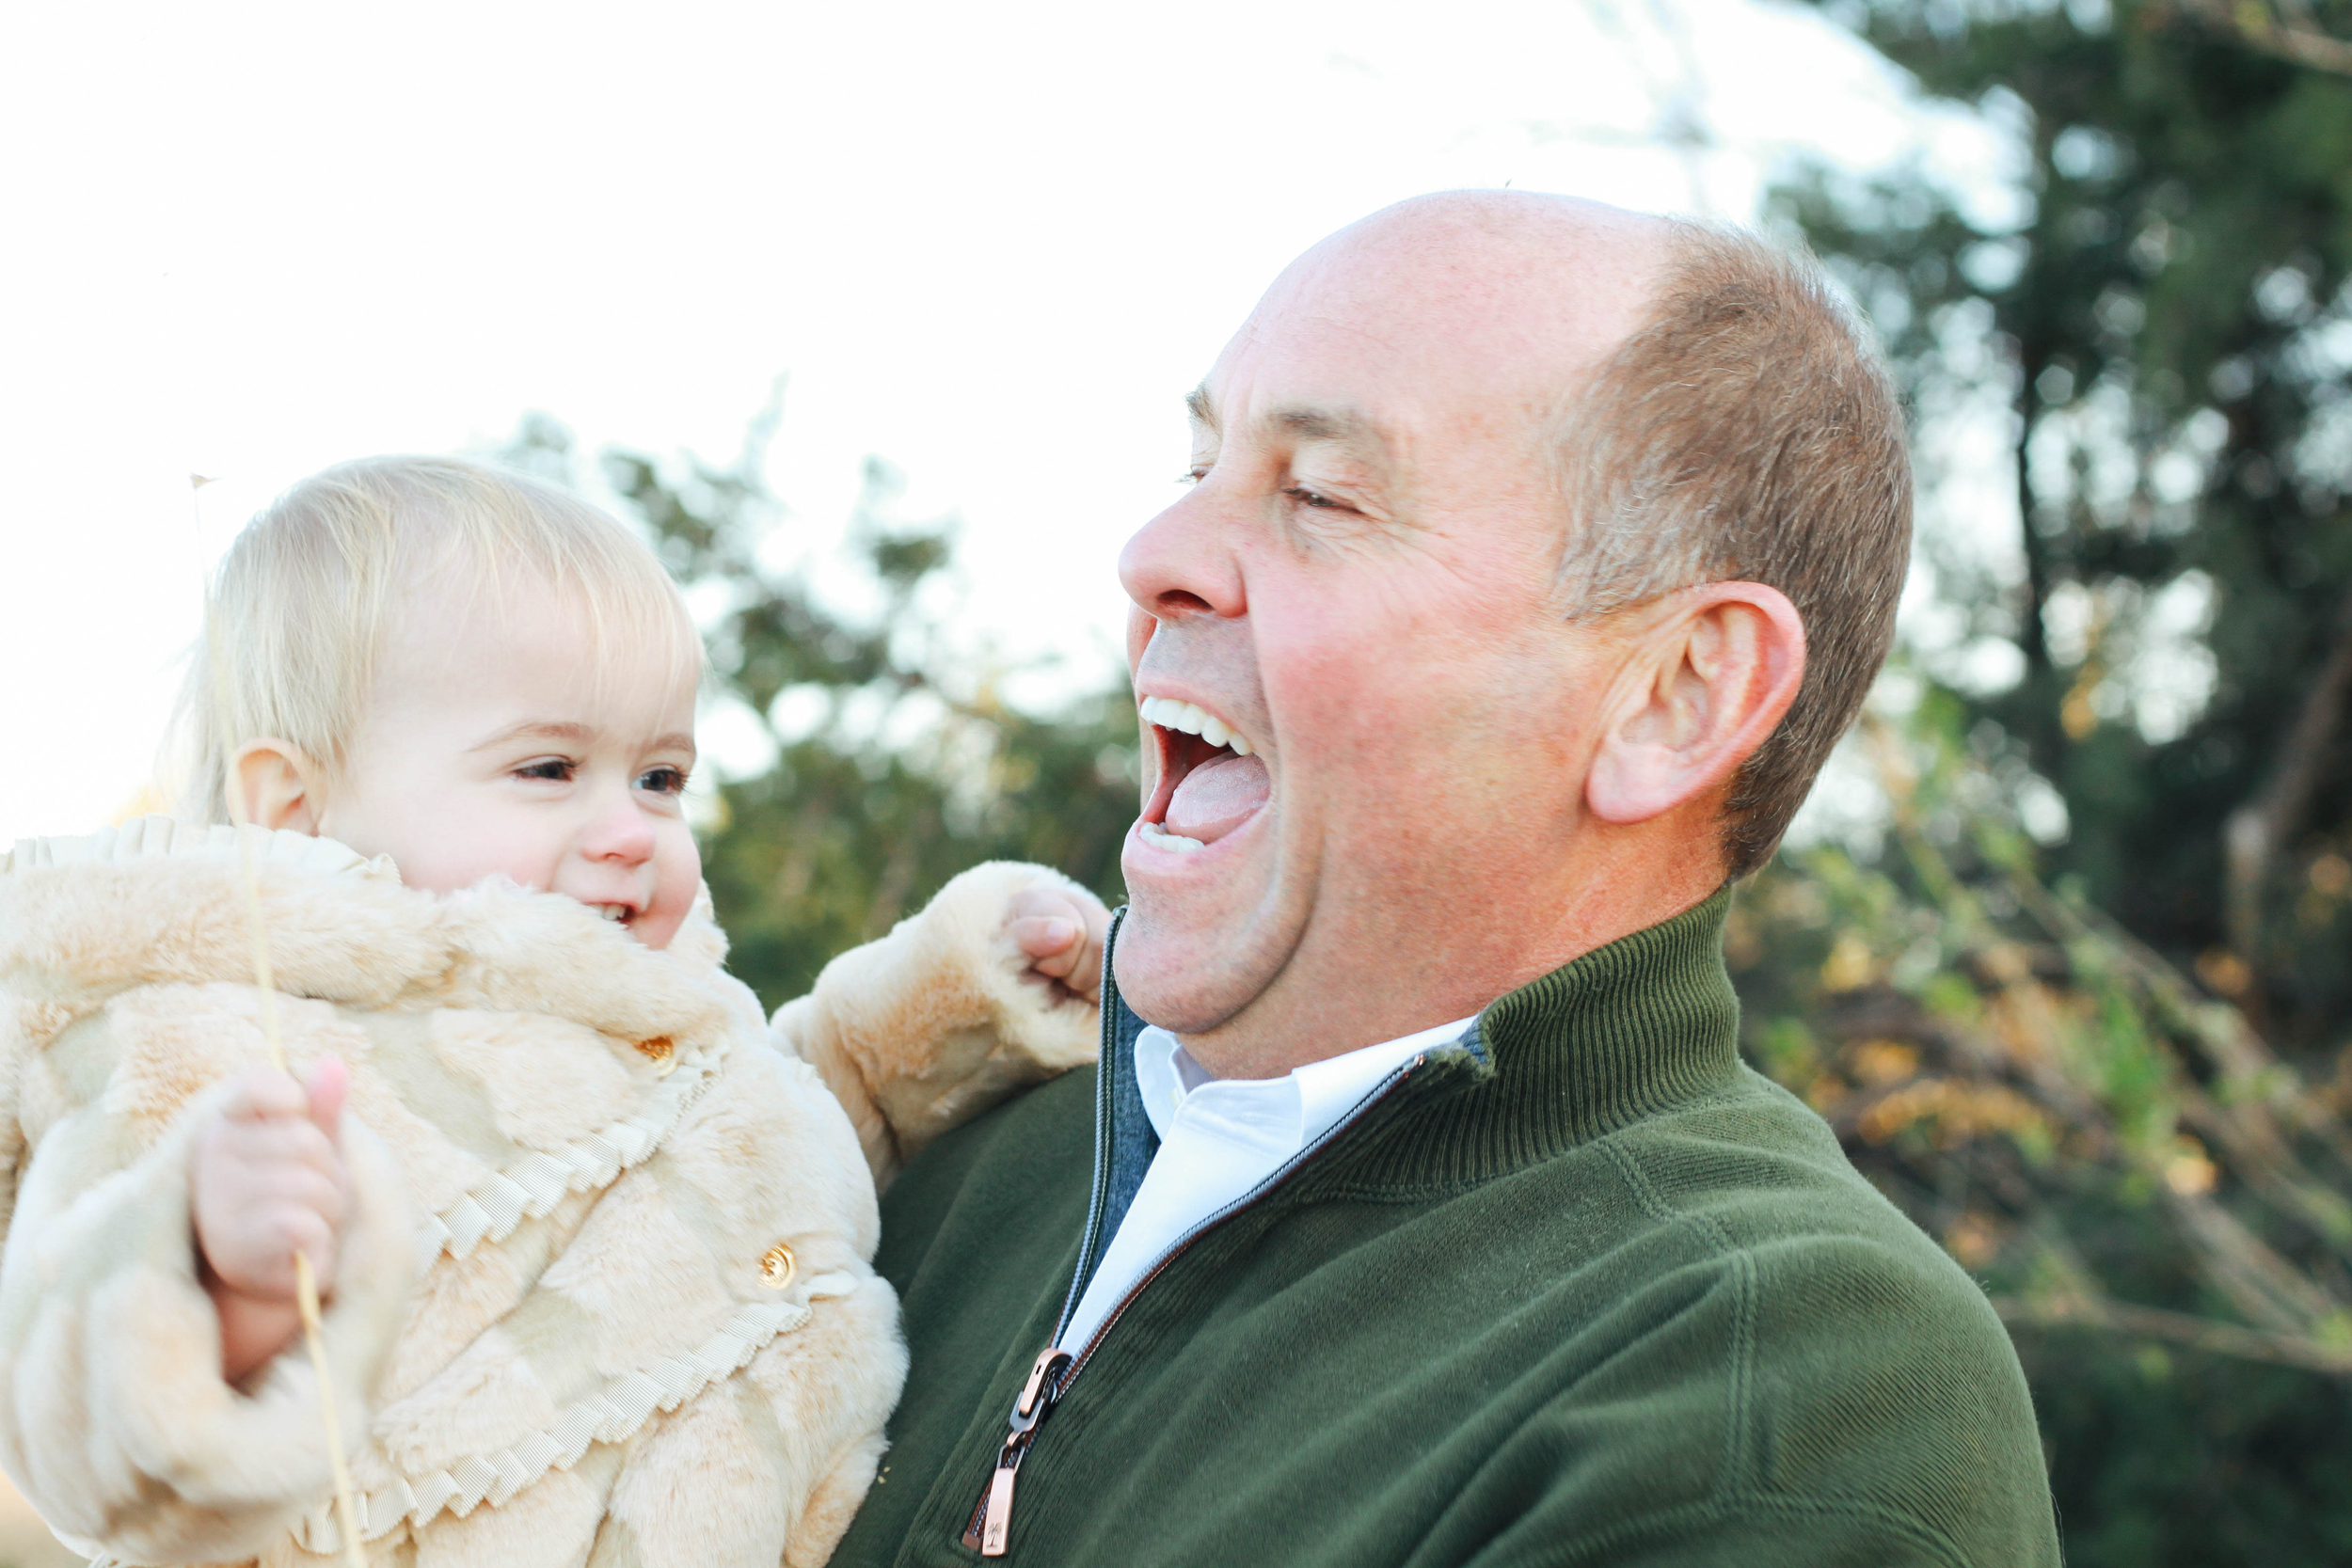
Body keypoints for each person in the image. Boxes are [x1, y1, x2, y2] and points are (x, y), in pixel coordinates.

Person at [828, 192, 2063, 1566]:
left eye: (1320, 495)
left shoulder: (1769, 1391)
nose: (1153, 556)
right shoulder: (933, 1126)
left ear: (1676, 694)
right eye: (1197, 470)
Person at [0, 456, 1109, 1568]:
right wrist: (216, 1282)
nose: (630, 826)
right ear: (296, 809)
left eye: (661, 776)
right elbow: (84, 1436)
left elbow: (771, 1137)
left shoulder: (661, 1008)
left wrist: (949, 1006)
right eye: (547, 766)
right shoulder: (207, 1050)